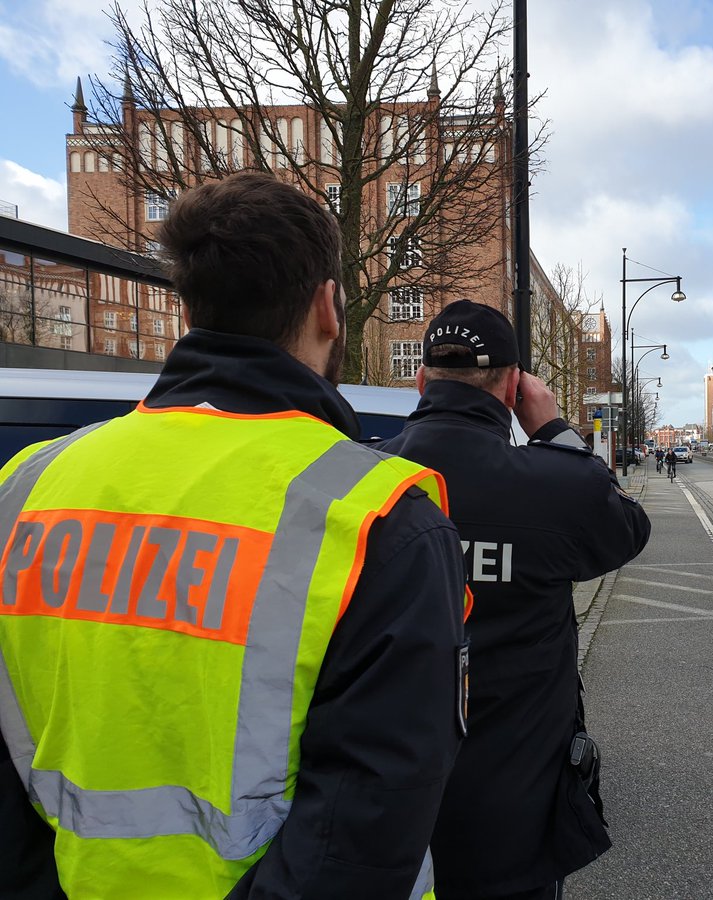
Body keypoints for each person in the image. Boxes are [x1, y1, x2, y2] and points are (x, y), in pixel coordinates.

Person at [0, 171, 466, 899]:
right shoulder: (377, 515)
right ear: (328, 306)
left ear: (191, 307)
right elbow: (366, 824)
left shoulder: (27, 486)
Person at [376, 300, 651, 900]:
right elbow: (627, 528)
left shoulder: (360, 476)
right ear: (513, 389)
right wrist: (554, 430)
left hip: (384, 815)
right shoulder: (554, 482)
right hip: (513, 817)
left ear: (420, 382)